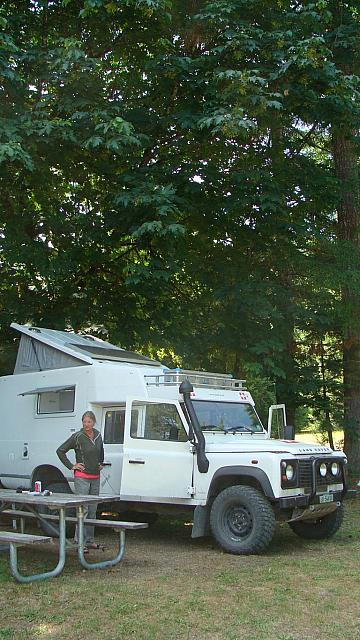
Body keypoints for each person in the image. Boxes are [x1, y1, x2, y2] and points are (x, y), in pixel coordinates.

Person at [56, 410, 104, 551]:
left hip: (95, 476)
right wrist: (72, 466)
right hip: (82, 477)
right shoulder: (77, 436)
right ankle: (79, 542)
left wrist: (101, 462)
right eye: (84, 422)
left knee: (93, 510)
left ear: (93, 422)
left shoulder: (98, 435)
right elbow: (60, 450)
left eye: (89, 422)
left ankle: (89, 540)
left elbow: (101, 449)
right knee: (83, 509)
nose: (86, 424)